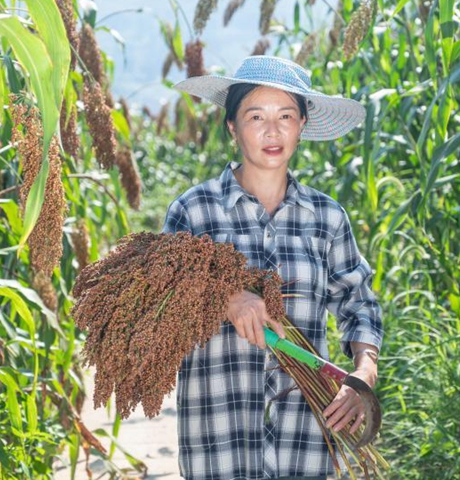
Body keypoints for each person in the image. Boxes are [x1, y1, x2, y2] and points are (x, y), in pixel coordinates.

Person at [161, 55, 383, 480]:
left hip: (305, 439)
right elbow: (164, 298)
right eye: (255, 116)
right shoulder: (194, 210)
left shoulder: (327, 217)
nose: (272, 130)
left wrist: (362, 375)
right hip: (218, 436)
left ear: (302, 124)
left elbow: (360, 305)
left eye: (285, 116)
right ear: (232, 126)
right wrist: (226, 296)